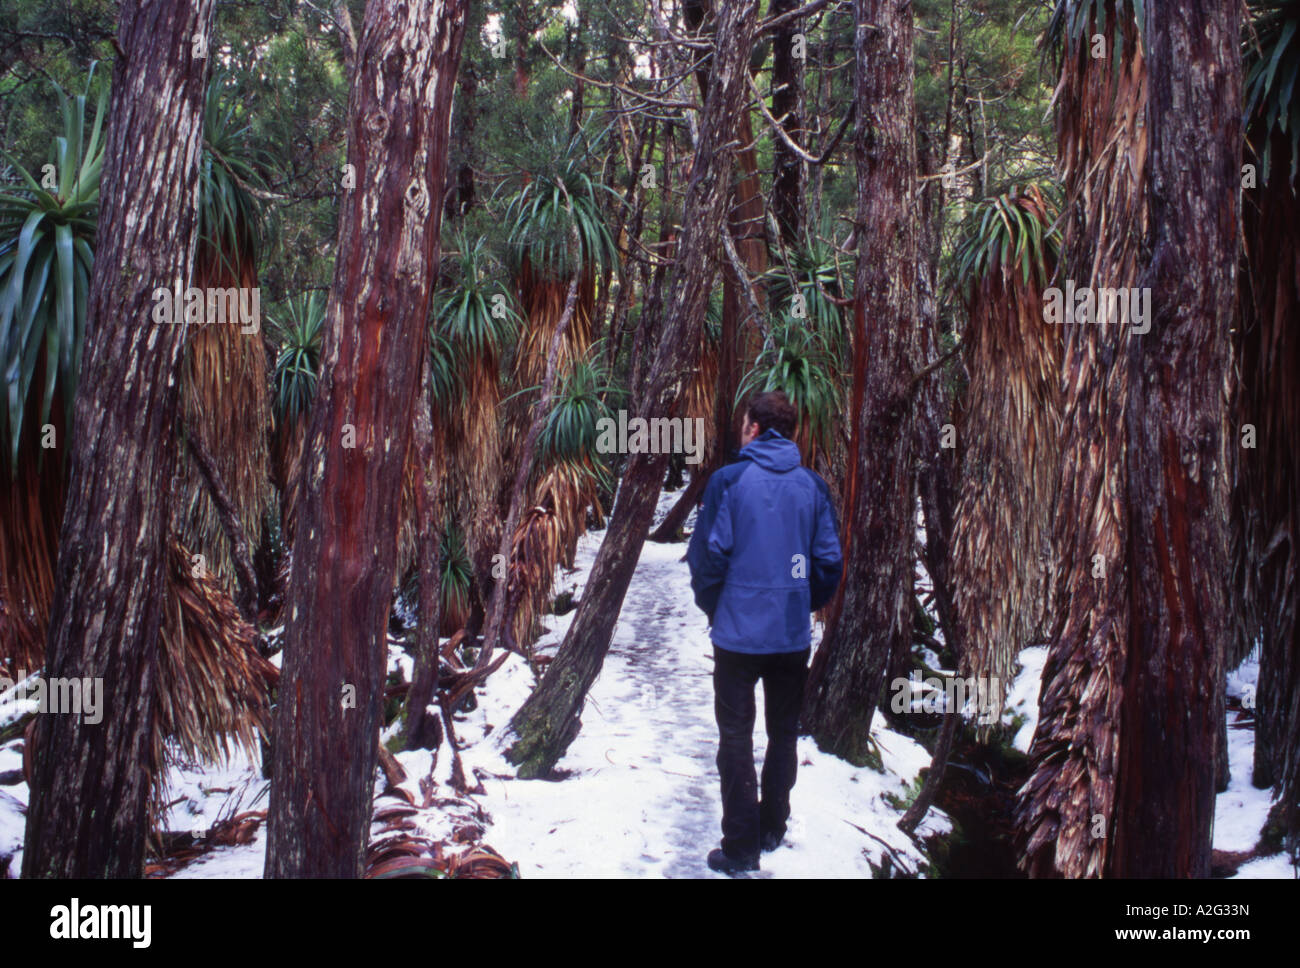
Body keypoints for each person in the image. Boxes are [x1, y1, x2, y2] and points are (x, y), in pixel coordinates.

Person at [686, 390, 843, 875]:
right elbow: (828, 562)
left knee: (735, 737)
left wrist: (718, 606)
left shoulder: (729, 481)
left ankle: (739, 848)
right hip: (791, 638)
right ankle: (772, 827)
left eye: (743, 423)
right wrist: (802, 602)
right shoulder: (813, 487)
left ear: (754, 428)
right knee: (782, 733)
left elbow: (707, 557)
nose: (740, 430)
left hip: (735, 637)